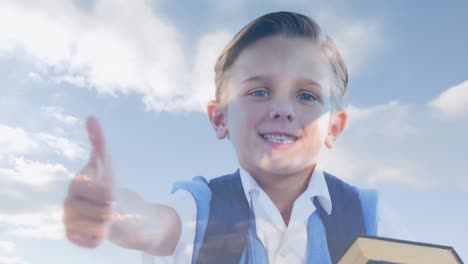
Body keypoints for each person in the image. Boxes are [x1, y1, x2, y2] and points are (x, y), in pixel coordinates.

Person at [63, 11, 380, 264]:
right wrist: (115, 214)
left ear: (334, 127)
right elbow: (156, 225)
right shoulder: (201, 206)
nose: (283, 109)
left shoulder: (367, 216)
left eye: (307, 96)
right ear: (220, 118)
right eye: (259, 91)